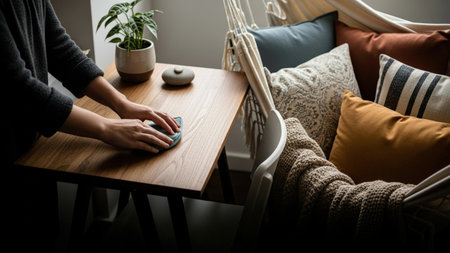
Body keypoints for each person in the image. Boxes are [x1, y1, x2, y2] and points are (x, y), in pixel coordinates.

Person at [0, 0, 179, 251]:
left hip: (31, 143)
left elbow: (57, 45)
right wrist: (107, 128)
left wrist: (121, 104)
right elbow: (18, 89)